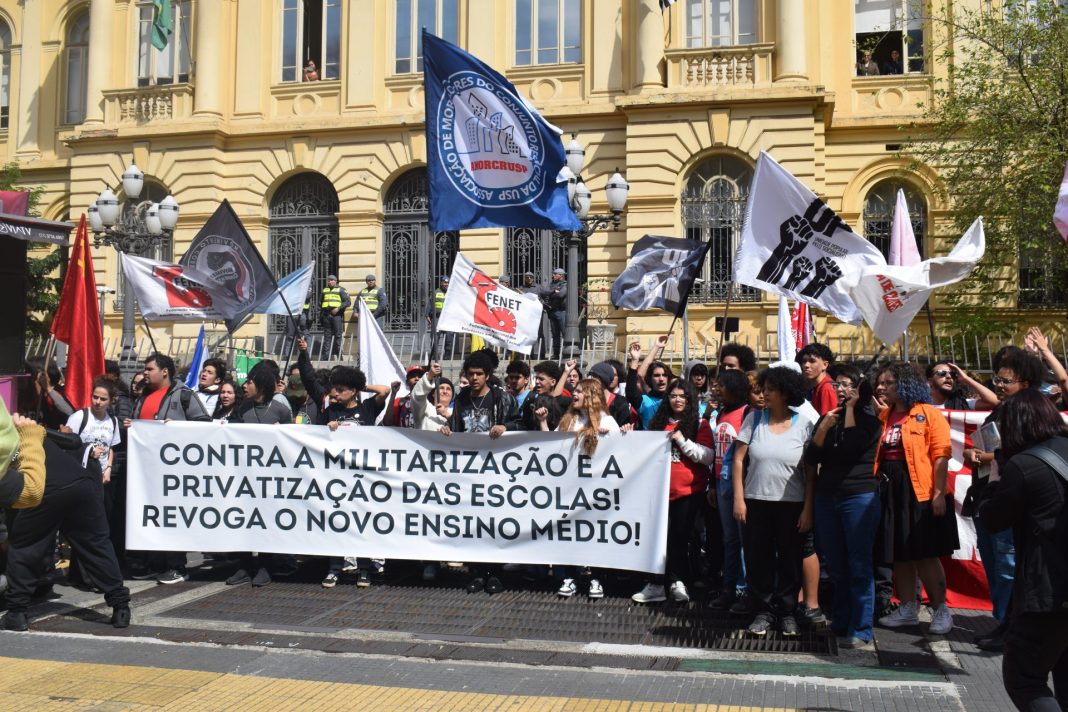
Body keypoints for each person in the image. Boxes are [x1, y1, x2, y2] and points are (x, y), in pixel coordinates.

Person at [1, 388, 130, 632]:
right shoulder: (30, 432)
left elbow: (72, 440)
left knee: (25, 548)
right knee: (97, 546)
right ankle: (120, 607)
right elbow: (73, 441)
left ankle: (17, 613)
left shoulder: (21, 435)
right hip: (80, 486)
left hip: (43, 490)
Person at [976, 390, 1068, 712]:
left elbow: (992, 520)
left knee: (1024, 678)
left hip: (1049, 591)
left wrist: (994, 480)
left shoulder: (1024, 465)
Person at [295, 337, 395, 588]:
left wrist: (359, 384)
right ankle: (335, 567)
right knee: (336, 521)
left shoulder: (369, 408)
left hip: (363, 479)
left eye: (340, 389)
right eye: (334, 389)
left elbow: (385, 390)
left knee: (363, 523)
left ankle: (364, 568)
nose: (334, 393)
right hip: (336, 479)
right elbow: (309, 379)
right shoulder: (330, 409)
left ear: (353, 391)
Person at [962, 346, 1045, 647]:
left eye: (1006, 381)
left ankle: (1013, 629)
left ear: (1024, 384)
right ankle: (1002, 622)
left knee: (1007, 565)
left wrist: (984, 456)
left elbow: (1022, 452)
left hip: (1011, 498)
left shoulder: (1029, 412)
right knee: (994, 563)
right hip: (988, 495)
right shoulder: (1000, 409)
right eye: (997, 379)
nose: (999, 385)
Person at [731, 366, 816, 637]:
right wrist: (739, 499)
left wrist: (807, 508)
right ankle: (764, 611)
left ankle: (788, 612)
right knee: (759, 559)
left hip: (792, 504)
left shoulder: (804, 424)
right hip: (756, 501)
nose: (764, 393)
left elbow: (811, 472)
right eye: (763, 388)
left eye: (770, 389)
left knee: (791, 560)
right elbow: (738, 460)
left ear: (785, 392)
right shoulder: (753, 420)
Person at [874, 362, 957, 635]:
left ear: (904, 384)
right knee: (899, 552)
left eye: (888, 383)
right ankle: (908, 607)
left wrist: (937, 494)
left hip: (920, 490)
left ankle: (940, 609)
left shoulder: (928, 414)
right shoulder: (883, 415)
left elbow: (941, 455)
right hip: (890, 490)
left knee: (925, 553)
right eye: (881, 383)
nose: (881, 387)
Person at [806, 363, 882, 648]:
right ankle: (841, 619)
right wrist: (824, 426)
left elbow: (851, 448)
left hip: (858, 497)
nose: (841, 389)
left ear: (861, 390)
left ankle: (861, 628)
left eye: (848, 384)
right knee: (836, 564)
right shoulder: (829, 419)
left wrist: (850, 409)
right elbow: (812, 455)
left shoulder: (870, 421)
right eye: (838, 384)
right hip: (827, 496)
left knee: (859, 564)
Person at [125, 352, 210, 585]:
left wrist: (178, 429)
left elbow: (204, 424)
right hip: (146, 471)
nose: (145, 373)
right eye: (144, 369)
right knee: (153, 518)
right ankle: (155, 564)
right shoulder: (143, 396)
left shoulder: (183, 395)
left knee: (172, 519)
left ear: (165, 371)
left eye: (149, 368)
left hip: (174, 472)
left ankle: (177, 566)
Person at [441, 350, 520, 594]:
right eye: (470, 374)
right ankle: (476, 572)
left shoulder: (501, 398)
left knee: (493, 522)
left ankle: (494, 573)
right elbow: (456, 427)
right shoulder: (463, 398)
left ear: (487, 376)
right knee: (472, 523)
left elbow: (521, 423)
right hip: (468, 471)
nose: (474, 378)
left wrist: (505, 426)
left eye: (479, 374)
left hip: (496, 469)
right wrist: (447, 429)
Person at [537, 378, 623, 599]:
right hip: (569, 490)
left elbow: (621, 453)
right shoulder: (568, 420)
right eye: (574, 391)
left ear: (591, 396)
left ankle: (596, 578)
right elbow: (552, 448)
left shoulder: (608, 421)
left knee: (595, 535)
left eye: (578, 392)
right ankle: (569, 577)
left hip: (595, 492)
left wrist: (615, 436)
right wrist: (544, 424)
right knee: (569, 534)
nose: (573, 395)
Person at [632, 380, 713, 605]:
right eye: (673, 396)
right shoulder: (657, 424)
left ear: (689, 400)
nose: (677, 400)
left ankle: (677, 582)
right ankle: (656, 583)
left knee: (679, 539)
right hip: (659, 493)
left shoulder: (700, 424)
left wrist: (682, 441)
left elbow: (707, 456)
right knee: (657, 539)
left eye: (682, 396)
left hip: (688, 493)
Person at [223, 364, 294, 589]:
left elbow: (293, 443)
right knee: (243, 521)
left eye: (250, 382)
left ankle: (265, 566)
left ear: (261, 385)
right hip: (244, 477)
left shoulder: (280, 410)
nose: (245, 386)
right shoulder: (242, 408)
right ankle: (244, 566)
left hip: (270, 479)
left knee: (265, 522)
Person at [708, 369, 751, 611]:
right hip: (721, 482)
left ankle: (744, 590)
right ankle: (729, 587)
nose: (717, 389)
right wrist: (713, 483)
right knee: (729, 539)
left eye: (721, 385)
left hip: (740, 483)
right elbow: (717, 452)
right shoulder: (721, 413)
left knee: (744, 540)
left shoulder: (747, 413)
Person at [626, 335, 674, 429]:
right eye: (656, 376)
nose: (661, 379)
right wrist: (635, 360)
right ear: (649, 379)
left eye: (664, 375)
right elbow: (631, 392)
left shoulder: (675, 399)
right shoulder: (645, 401)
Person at [519, 360, 571, 432]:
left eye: (541, 379)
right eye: (536, 378)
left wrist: (566, 372)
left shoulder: (566, 403)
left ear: (553, 382)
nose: (537, 382)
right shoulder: (530, 403)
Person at [411, 362, 454, 432]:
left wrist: (446, 414)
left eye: (448, 389)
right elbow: (417, 397)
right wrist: (430, 376)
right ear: (433, 394)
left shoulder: (455, 411)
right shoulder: (425, 409)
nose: (445, 391)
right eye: (441, 388)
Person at [320, 274, 350, 359]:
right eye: (328, 280)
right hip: (326, 315)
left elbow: (347, 302)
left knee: (338, 335)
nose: (330, 282)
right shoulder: (324, 290)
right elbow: (320, 303)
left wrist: (338, 309)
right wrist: (321, 316)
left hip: (337, 315)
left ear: (335, 281)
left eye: (331, 280)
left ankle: (339, 355)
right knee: (327, 336)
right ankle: (326, 357)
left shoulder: (341, 290)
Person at [426, 276, 452, 358]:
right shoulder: (436, 292)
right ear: (441, 283)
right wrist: (427, 315)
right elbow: (430, 304)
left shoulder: (452, 292)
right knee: (435, 336)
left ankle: (447, 354)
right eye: (444, 282)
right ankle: (434, 354)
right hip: (437, 317)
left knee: (449, 337)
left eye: (447, 283)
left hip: (448, 318)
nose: (446, 284)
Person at [546, 268, 568, 358]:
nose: (553, 275)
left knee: (564, 333)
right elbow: (546, 293)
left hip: (561, 311)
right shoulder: (551, 284)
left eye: (556, 274)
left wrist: (552, 294)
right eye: (554, 274)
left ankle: (566, 352)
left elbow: (561, 295)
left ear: (561, 276)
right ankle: (556, 354)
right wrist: (554, 293)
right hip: (552, 311)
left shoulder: (565, 284)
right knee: (555, 334)